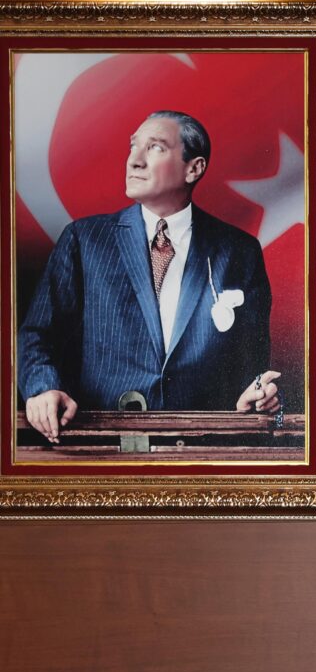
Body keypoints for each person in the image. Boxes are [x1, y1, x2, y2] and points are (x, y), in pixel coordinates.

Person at [17, 110, 280, 444]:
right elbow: (37, 335)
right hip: (102, 443)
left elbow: (251, 362)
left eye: (155, 147)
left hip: (199, 447)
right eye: (133, 146)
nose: (134, 161)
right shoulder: (84, 240)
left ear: (194, 168)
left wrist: (253, 397)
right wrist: (43, 388)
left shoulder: (239, 250)